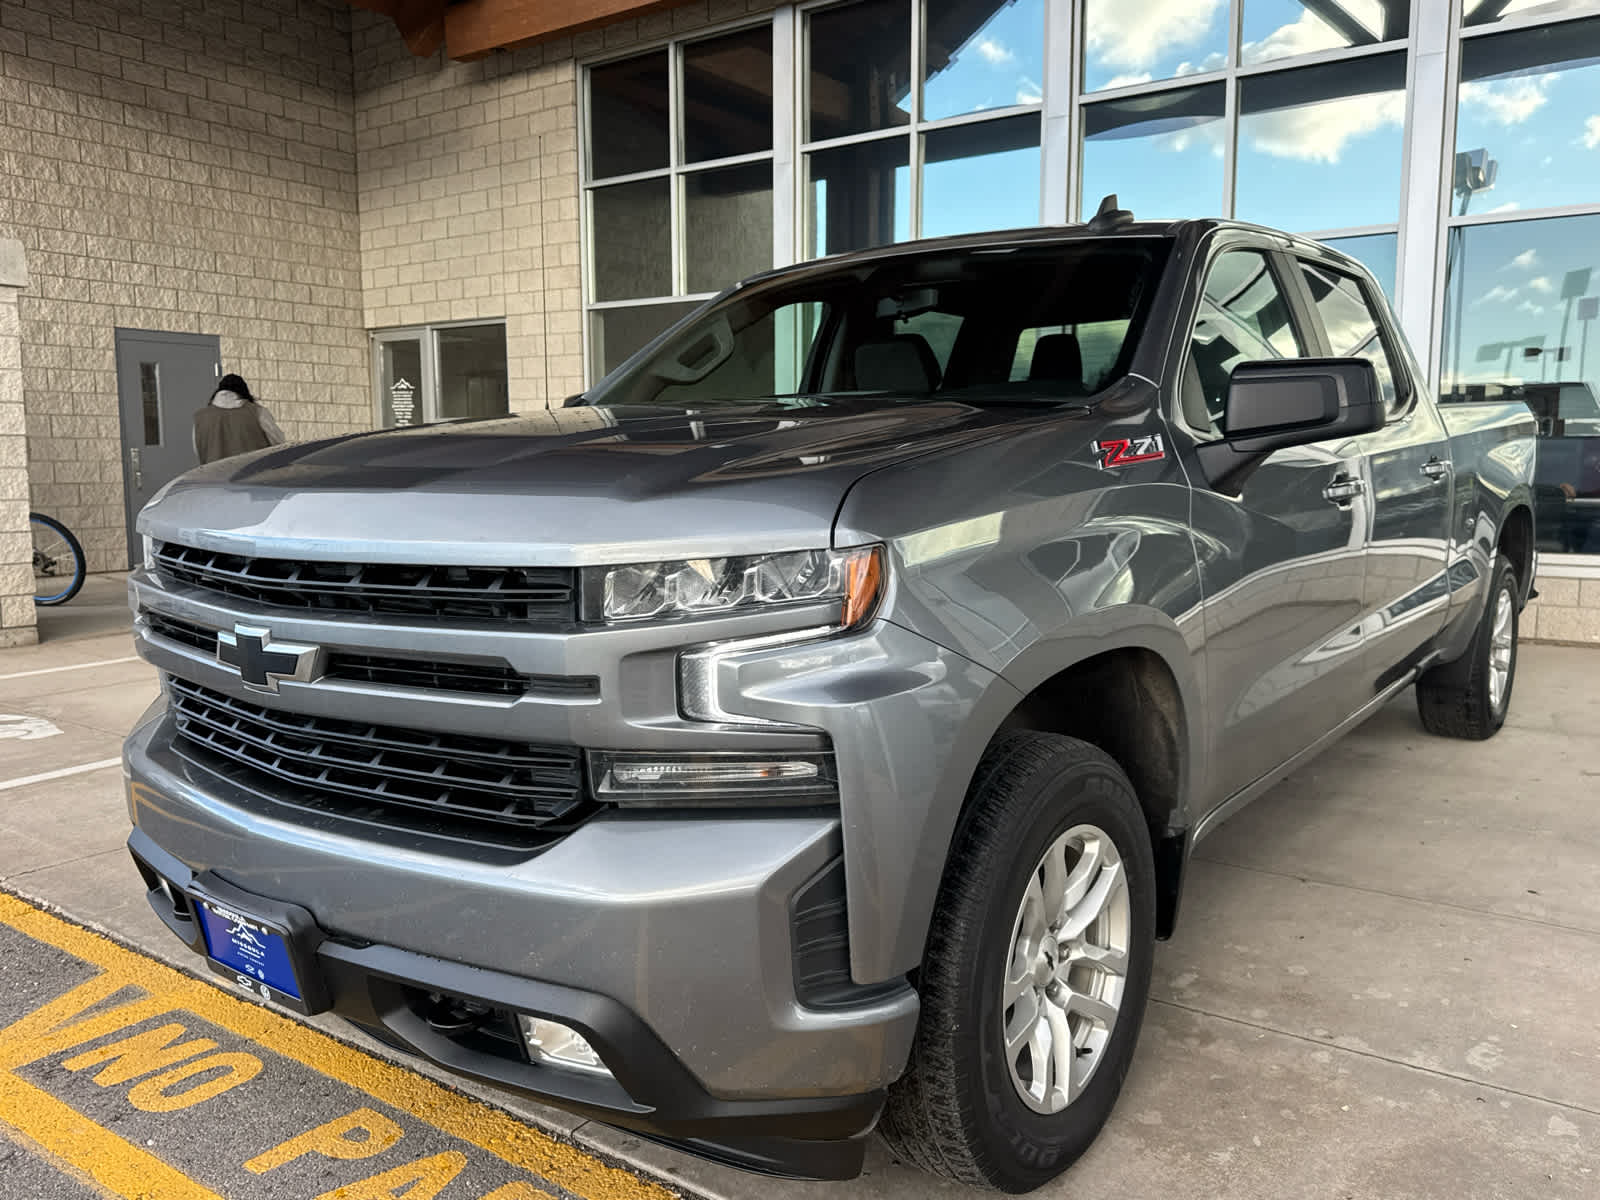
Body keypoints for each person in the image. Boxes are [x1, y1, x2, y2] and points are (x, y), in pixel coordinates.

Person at [193, 374, 286, 464]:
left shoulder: (200, 418)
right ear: (244, 392)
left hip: (212, 477)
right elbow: (279, 444)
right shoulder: (258, 412)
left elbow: (199, 451)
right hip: (254, 476)